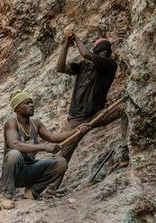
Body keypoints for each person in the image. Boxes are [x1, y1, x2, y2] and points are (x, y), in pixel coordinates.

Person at [53, 30, 129, 192]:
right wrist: (66, 43)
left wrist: (75, 38)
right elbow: (60, 68)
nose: (104, 51)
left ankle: (124, 152)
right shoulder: (83, 66)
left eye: (106, 50)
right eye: (101, 48)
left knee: (125, 109)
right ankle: (51, 188)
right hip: (76, 119)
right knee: (64, 154)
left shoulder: (109, 64)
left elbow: (85, 53)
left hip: (97, 114)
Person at [0, 90, 90, 209]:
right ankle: (7, 196)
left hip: (30, 169)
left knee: (61, 163)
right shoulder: (11, 123)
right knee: (14, 154)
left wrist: (76, 130)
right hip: (15, 173)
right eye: (26, 103)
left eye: (31, 102)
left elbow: (53, 137)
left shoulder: (36, 123)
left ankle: (32, 192)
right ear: (16, 108)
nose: (31, 105)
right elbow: (14, 144)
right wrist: (43, 147)